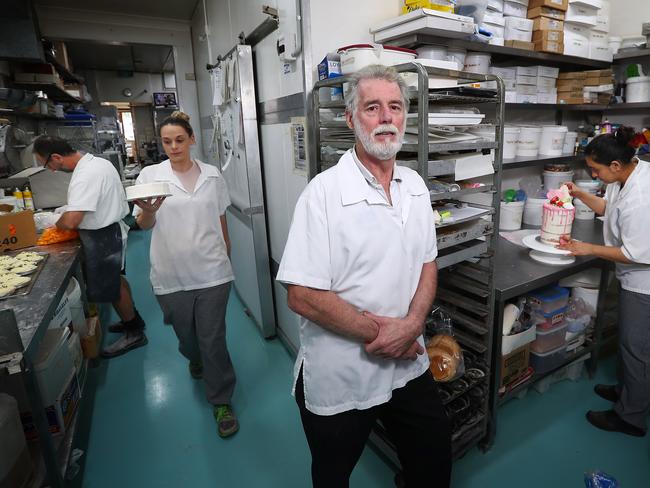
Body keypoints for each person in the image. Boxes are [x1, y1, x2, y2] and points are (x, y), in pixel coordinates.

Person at [276, 65, 452, 487]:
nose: (386, 117)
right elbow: (302, 295)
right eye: (372, 107)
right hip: (344, 375)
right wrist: (383, 335)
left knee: (433, 463)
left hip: (408, 360)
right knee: (333, 475)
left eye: (394, 107)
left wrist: (410, 327)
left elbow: (428, 262)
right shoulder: (323, 194)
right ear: (351, 119)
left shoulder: (414, 186)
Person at [132, 111, 239, 438]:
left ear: (191, 139)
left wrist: (226, 252)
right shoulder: (151, 176)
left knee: (212, 339)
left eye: (180, 140)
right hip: (171, 273)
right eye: (167, 141)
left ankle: (221, 400)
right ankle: (194, 358)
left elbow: (220, 217)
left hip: (212, 272)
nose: (173, 147)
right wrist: (149, 211)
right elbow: (142, 223)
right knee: (188, 338)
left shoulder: (211, 176)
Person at [558, 127, 650, 437]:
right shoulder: (627, 173)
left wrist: (586, 248)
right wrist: (581, 195)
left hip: (645, 282)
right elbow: (611, 210)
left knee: (635, 348)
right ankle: (628, 392)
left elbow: (635, 253)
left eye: (596, 170)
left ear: (614, 165)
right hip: (634, 276)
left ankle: (631, 417)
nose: (594, 175)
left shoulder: (641, 197)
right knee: (631, 345)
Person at [32, 136, 147, 358]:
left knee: (112, 287)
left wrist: (51, 220)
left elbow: (73, 220)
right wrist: (66, 209)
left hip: (102, 236)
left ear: (56, 157)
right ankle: (132, 319)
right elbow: (90, 201)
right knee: (118, 282)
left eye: (47, 165)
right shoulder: (97, 162)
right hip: (110, 230)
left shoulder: (86, 174)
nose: (51, 170)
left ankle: (135, 333)